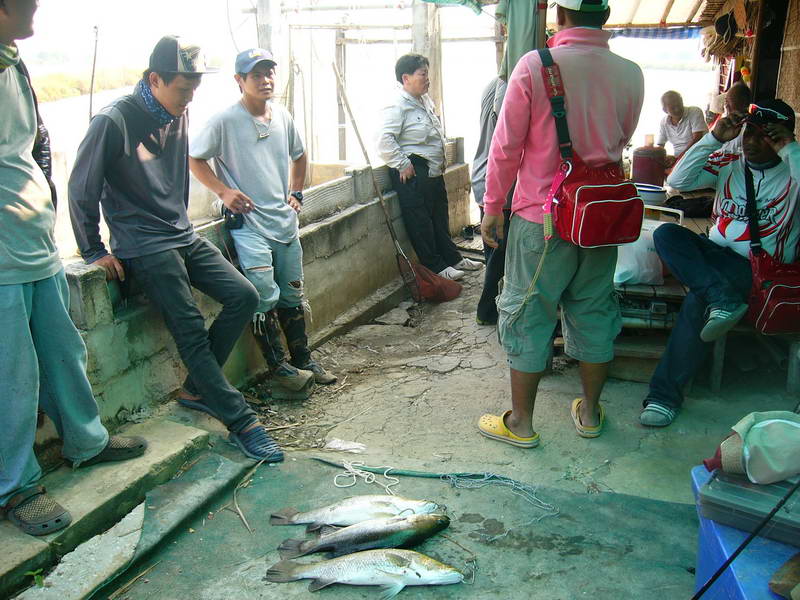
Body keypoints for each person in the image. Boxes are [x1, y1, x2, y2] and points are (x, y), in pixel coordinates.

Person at [69, 36, 282, 463]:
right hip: (143, 244)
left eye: (194, 90)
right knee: (189, 330)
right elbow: (80, 188)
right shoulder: (112, 121)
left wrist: (183, 226)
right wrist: (93, 250)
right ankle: (241, 422)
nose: (189, 99)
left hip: (181, 233)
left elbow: (178, 180)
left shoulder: (177, 111)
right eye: (183, 89)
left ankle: (197, 390)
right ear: (155, 79)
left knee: (244, 295)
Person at [1, 0, 147, 537]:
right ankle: (15, 485)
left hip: (34, 241)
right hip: (1, 255)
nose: (37, 6)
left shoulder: (12, 62)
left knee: (63, 349)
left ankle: (86, 441)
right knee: (10, 373)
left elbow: (36, 144)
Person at [478, 0, 644, 446]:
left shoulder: (535, 65)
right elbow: (623, 137)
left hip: (541, 217)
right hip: (600, 216)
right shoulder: (631, 72)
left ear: (559, 16)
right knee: (594, 308)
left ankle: (522, 425)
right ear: (605, 17)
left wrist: (493, 205)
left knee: (528, 312)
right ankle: (589, 414)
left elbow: (506, 144)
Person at [640, 100, 799, 427]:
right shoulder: (731, 161)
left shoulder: (792, 173)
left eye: (765, 136)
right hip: (713, 257)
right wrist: (714, 137)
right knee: (668, 234)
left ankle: (664, 396)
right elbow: (679, 181)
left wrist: (790, 150)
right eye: (747, 133)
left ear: (781, 139)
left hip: (755, 269)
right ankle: (720, 297)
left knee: (697, 300)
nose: (751, 143)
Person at [189, 48, 335, 394]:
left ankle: (302, 357)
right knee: (263, 296)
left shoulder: (282, 116)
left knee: (293, 292)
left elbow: (299, 155)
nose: (265, 80)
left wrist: (296, 192)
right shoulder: (224, 121)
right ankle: (278, 369)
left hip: (284, 221)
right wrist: (224, 192)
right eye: (256, 75)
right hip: (249, 225)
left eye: (269, 72)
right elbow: (195, 159)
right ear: (239, 81)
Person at [377, 53, 482, 281]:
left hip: (433, 170)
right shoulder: (397, 105)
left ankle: (452, 258)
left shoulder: (424, 100)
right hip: (414, 171)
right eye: (422, 74)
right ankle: (435, 266)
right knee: (421, 220)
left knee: (439, 215)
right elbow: (384, 140)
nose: (427, 79)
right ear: (406, 78)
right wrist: (402, 164)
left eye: (427, 74)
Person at [472, 76, 512, 325]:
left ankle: (492, 307)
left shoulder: (492, 84)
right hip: (498, 186)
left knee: (494, 253)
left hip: (485, 178)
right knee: (499, 253)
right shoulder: (510, 87)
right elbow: (506, 143)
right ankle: (487, 310)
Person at [657, 91, 707, 166]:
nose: (677, 109)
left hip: (700, 156)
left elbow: (697, 139)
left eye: (679, 104)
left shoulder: (694, 112)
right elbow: (660, 145)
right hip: (679, 161)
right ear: (665, 110)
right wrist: (663, 158)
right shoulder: (664, 122)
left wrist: (678, 159)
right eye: (673, 107)